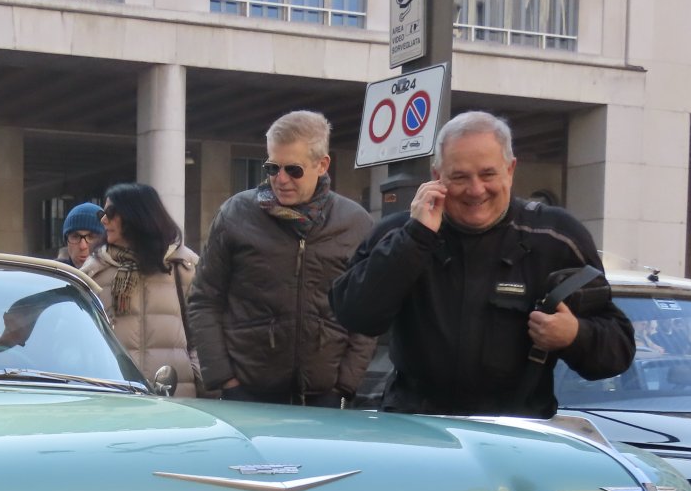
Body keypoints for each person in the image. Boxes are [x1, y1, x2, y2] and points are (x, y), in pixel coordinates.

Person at [330, 110, 634, 418]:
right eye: (460, 177)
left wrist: (575, 335)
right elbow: (355, 315)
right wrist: (416, 239)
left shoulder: (556, 236)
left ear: (510, 170)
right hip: (418, 426)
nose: (475, 190)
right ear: (437, 177)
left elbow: (618, 350)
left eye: (487, 174)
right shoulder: (401, 233)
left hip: (515, 431)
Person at [186, 110, 374, 406]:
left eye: (293, 170)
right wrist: (225, 379)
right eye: (272, 168)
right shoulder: (235, 215)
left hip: (325, 398)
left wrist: (345, 385)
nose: (280, 179)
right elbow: (204, 299)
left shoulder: (355, 224)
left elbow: (366, 311)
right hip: (247, 394)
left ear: (322, 165)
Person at [81, 182, 199, 397]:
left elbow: (204, 331)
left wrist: (198, 376)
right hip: (111, 395)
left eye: (111, 213)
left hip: (176, 396)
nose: (103, 220)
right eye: (102, 213)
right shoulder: (93, 272)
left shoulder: (183, 267)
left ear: (136, 215)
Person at [57, 202, 104, 268]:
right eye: (75, 237)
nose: (83, 246)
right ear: (66, 241)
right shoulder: (50, 272)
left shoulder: (116, 273)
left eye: (91, 237)